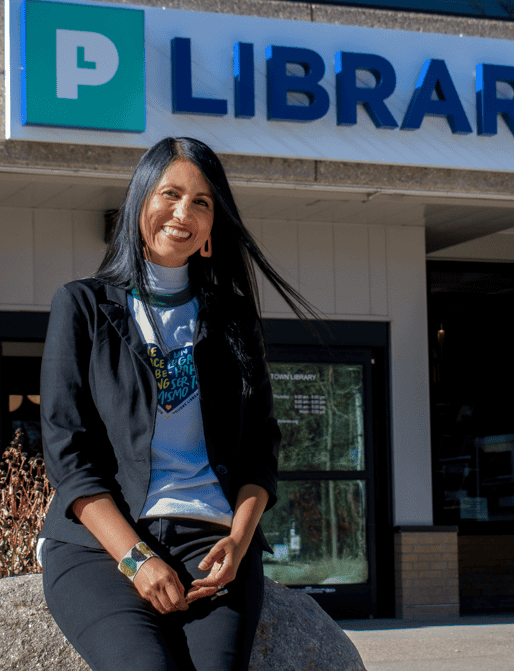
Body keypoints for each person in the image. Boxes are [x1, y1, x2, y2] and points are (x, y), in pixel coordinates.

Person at [38, 137, 314, 671]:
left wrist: (238, 542)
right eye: (170, 194)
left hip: (212, 543)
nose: (183, 213)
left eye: (202, 202)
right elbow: (68, 455)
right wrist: (137, 560)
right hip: (102, 546)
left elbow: (261, 447)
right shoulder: (83, 306)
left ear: (212, 228)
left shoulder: (232, 319)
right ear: (141, 200)